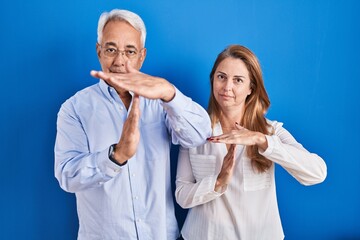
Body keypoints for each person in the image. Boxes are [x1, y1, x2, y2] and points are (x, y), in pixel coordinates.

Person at [54, 9, 211, 240]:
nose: (120, 61)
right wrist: (115, 156)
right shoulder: (75, 109)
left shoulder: (160, 100)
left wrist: (170, 93)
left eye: (130, 51)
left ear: (142, 56)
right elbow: (67, 175)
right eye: (111, 50)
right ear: (99, 51)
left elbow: (199, 134)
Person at [175, 45, 327, 240]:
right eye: (221, 77)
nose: (227, 87)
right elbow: (182, 194)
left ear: (251, 88)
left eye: (237, 80)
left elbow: (317, 173)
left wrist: (262, 141)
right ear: (213, 79)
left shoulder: (271, 132)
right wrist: (217, 183)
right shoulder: (194, 132)